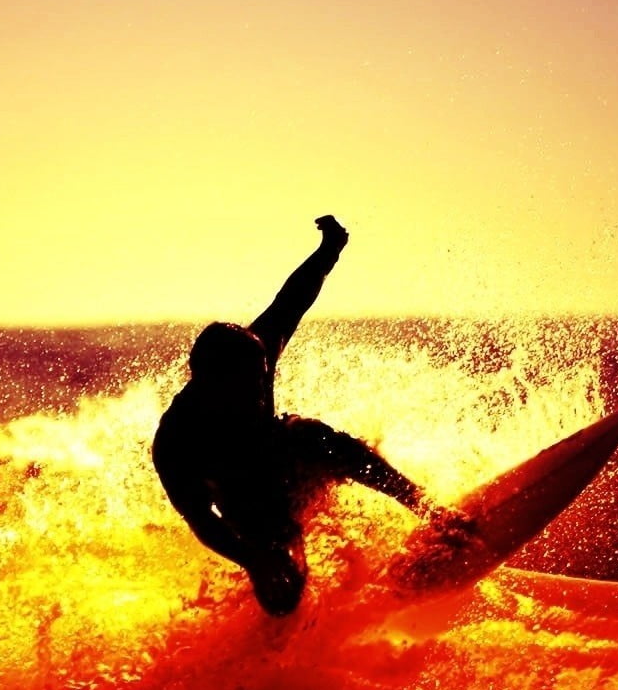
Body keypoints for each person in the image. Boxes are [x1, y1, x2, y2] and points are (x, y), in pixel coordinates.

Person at [153, 215, 441, 614]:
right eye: (246, 385)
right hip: (245, 502)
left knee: (310, 435)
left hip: (284, 455)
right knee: (282, 590)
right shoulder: (177, 439)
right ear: (211, 381)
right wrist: (255, 560)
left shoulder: (255, 351)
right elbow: (202, 520)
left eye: (261, 378)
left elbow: (293, 298)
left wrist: (329, 251)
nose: (258, 390)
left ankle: (428, 509)